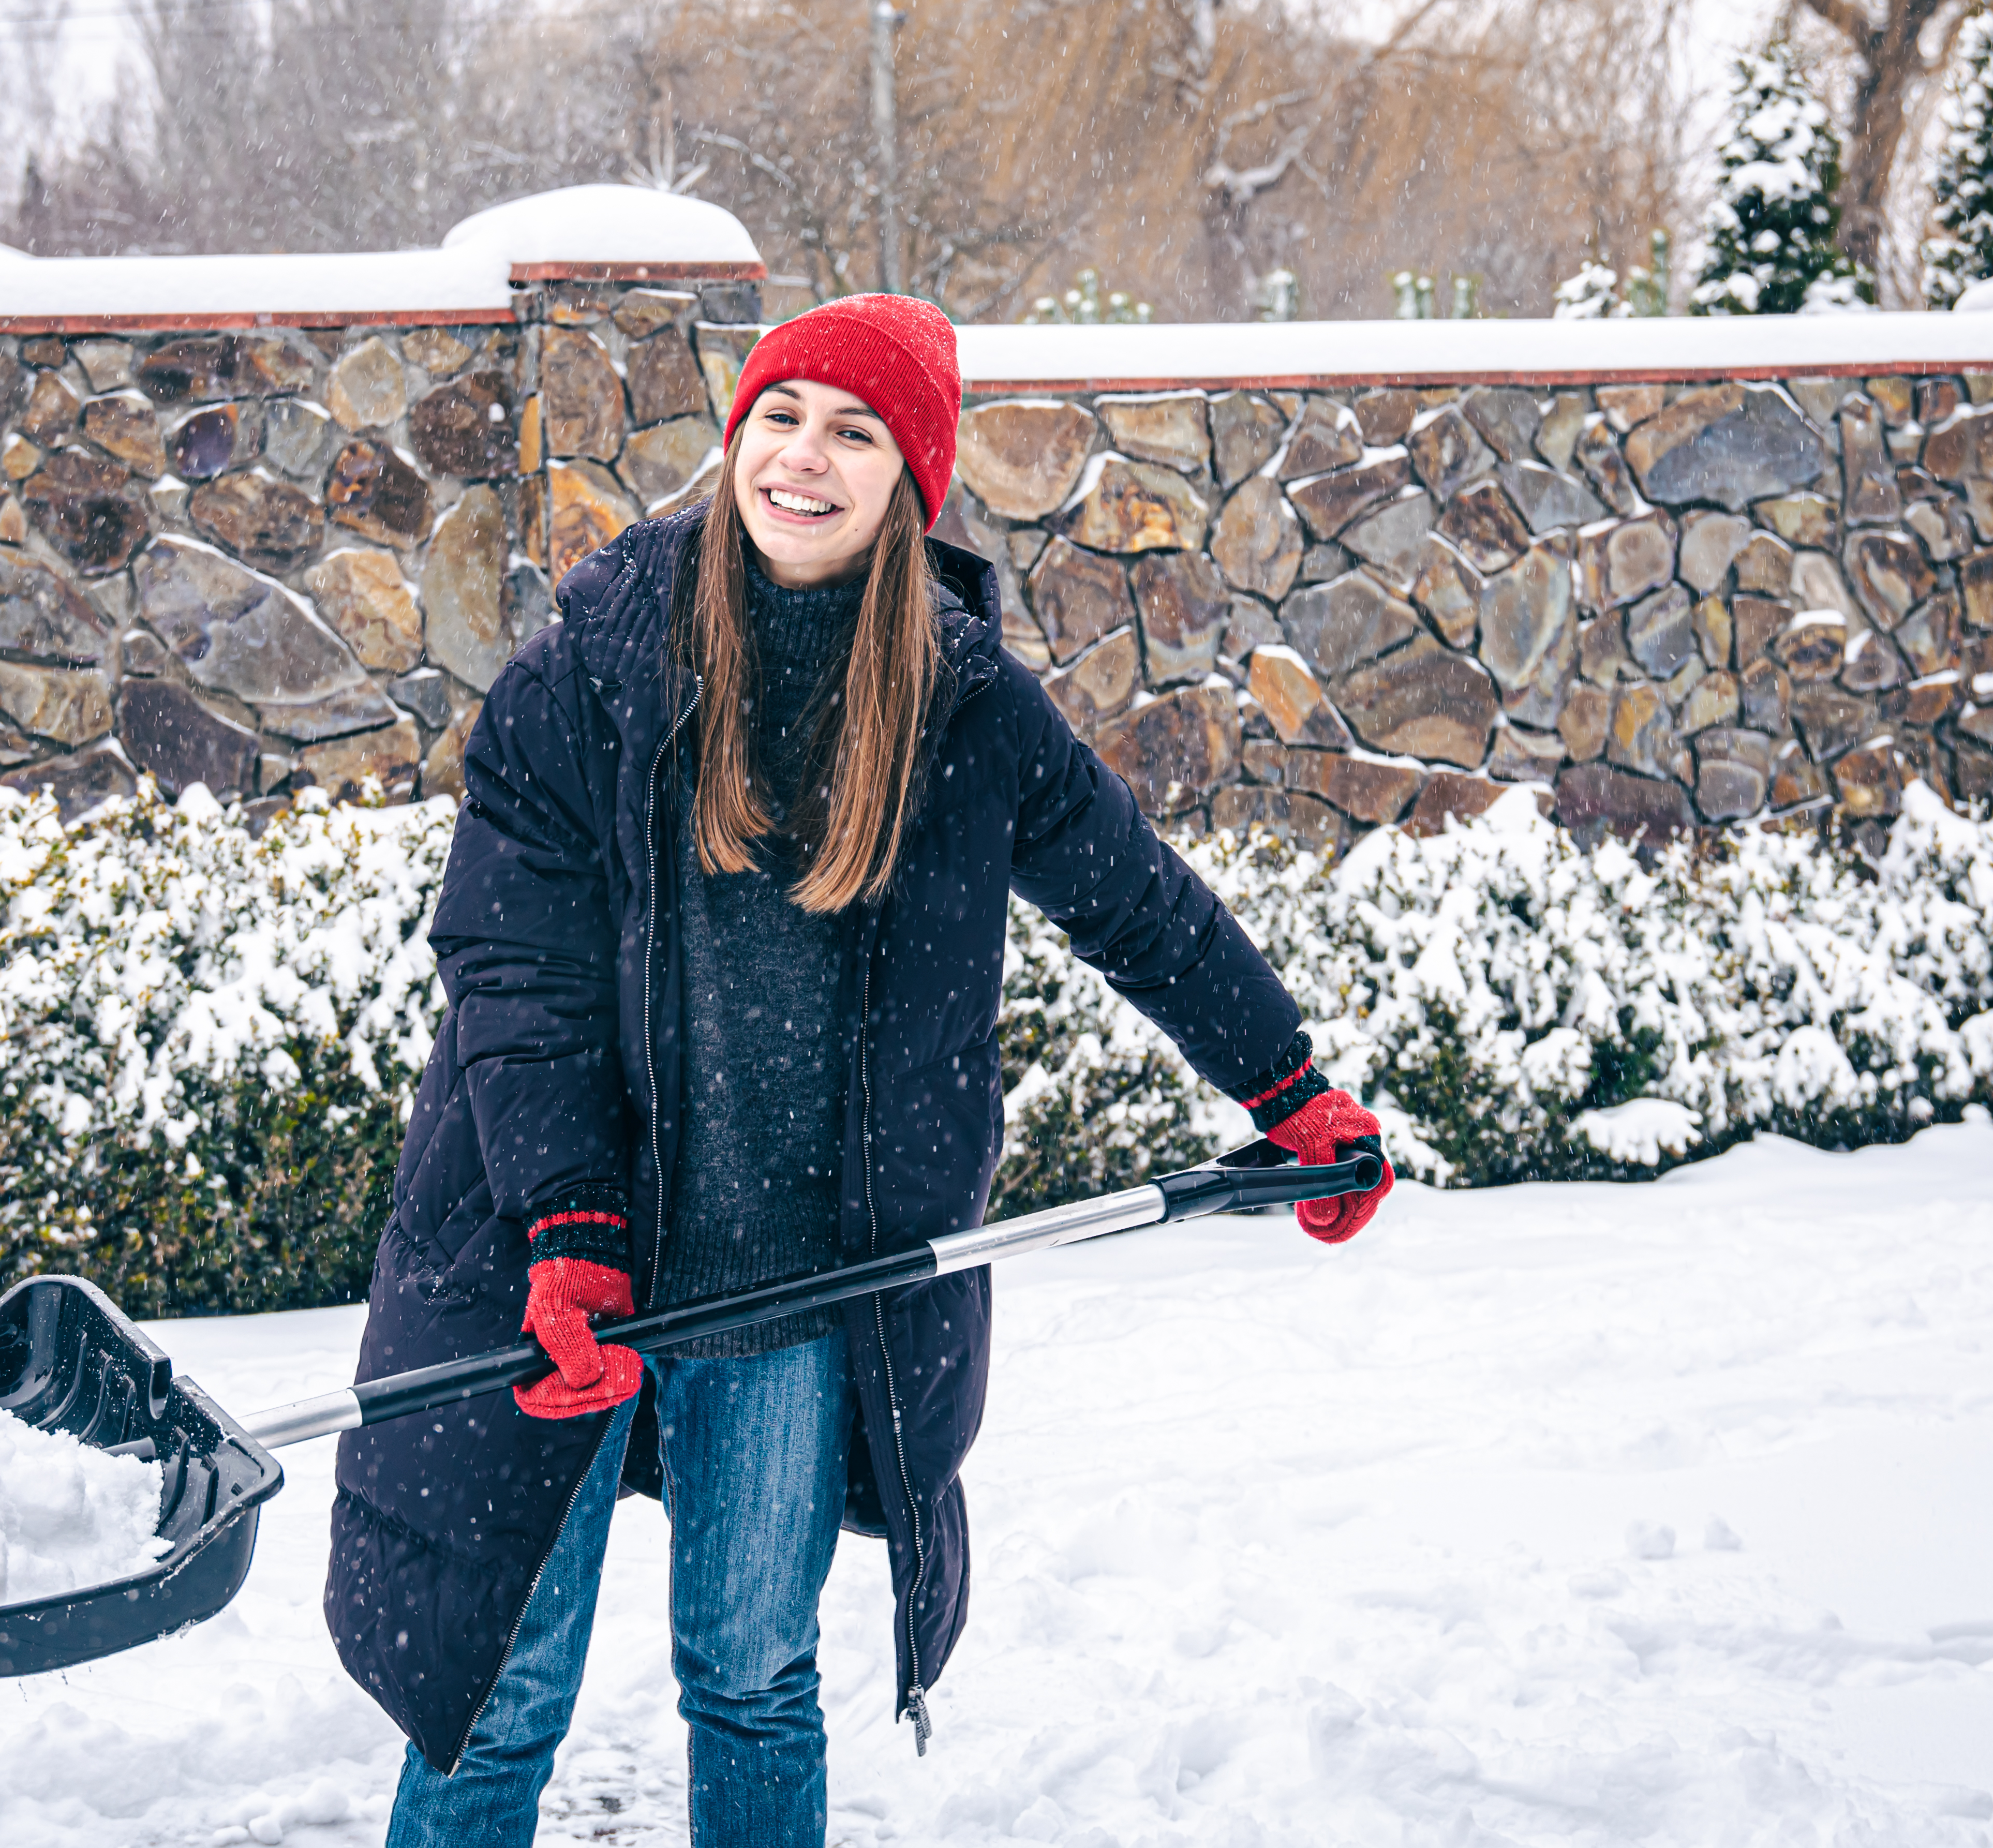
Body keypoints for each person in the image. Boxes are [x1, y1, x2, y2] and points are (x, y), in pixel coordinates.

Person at [323, 294, 1393, 1847]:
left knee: (751, 1676)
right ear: (734, 434)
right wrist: (567, 1227)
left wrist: (1283, 1084)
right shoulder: (599, 661)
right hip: (550, 1268)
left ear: (911, 477)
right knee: (498, 1691)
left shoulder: (958, 701)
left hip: (784, 1289)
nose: (801, 459)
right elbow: (514, 963)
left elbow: (1132, 899)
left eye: (853, 430)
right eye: (779, 416)